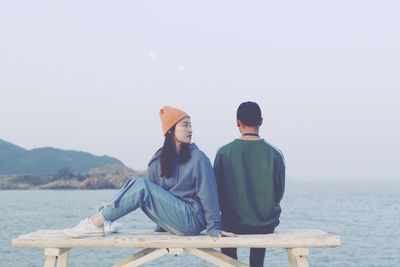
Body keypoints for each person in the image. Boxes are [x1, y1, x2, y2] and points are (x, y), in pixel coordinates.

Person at [64, 106, 235, 238]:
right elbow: (160, 197)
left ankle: (97, 223)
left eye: (191, 125)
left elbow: (209, 195)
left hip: (192, 220)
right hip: (174, 222)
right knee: (135, 184)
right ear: (170, 130)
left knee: (142, 186)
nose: (190, 129)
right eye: (185, 125)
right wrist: (162, 225)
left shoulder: (198, 158)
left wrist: (214, 228)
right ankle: (104, 220)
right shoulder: (158, 160)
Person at [213, 101, 285, 267]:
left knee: (229, 257)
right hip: (264, 224)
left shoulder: (224, 152)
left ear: (237, 122)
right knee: (257, 259)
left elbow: (215, 190)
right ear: (261, 121)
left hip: (232, 223)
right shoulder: (274, 154)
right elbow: (278, 192)